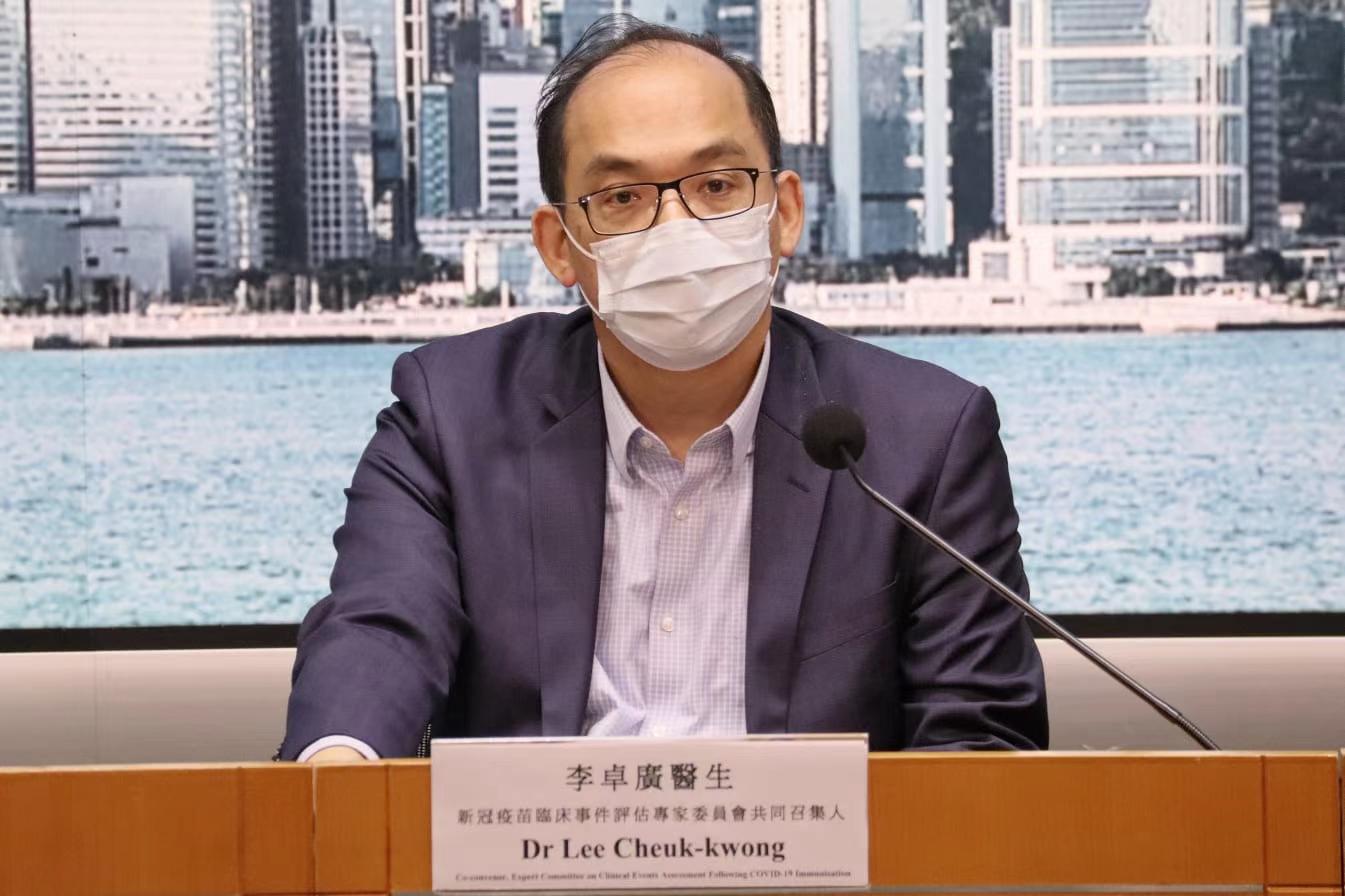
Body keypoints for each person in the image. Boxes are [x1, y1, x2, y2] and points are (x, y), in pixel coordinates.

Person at [280, 16, 1048, 763]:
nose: (676, 227)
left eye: (716, 185)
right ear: (559, 247)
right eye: (621, 198)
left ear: (783, 213)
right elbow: (380, 627)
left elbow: (979, 740)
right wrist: (340, 768)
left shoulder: (924, 438)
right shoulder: (450, 416)